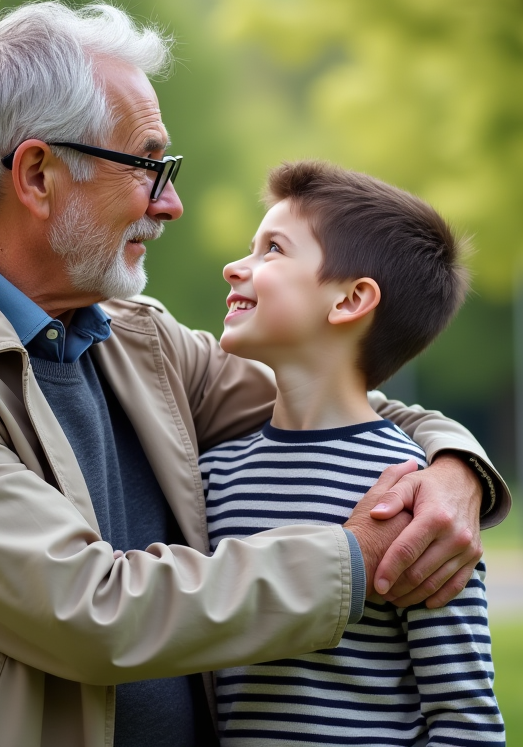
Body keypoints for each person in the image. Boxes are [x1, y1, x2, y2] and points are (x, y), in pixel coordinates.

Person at [0, 0, 511, 747]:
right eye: (148, 166)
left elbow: (333, 396)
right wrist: (357, 557)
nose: (171, 204)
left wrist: (454, 469)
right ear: (38, 175)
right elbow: (86, 612)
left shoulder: (138, 340)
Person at [202, 160, 504, 745]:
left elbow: (464, 720)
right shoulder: (211, 477)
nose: (235, 267)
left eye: (273, 250)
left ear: (349, 300)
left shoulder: (419, 502)